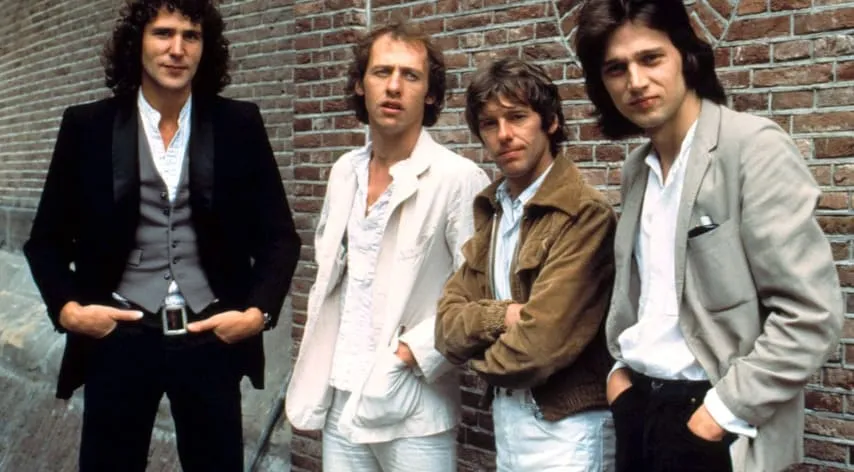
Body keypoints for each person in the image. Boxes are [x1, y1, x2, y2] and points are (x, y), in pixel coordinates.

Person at [23, 1, 301, 470]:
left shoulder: (238, 124)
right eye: (163, 33)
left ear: (205, 48)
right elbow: (45, 241)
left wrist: (257, 314)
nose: (177, 49)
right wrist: (69, 311)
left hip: (210, 335)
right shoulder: (87, 127)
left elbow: (280, 238)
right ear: (138, 43)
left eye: (191, 36)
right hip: (118, 336)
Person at [574, 1, 844, 470]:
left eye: (650, 58)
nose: (635, 81)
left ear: (686, 56)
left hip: (714, 416)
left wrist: (717, 414)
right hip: (638, 408)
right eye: (616, 68)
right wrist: (619, 377)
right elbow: (642, 295)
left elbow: (811, 313)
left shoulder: (752, 148)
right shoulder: (637, 169)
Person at [284, 20, 490, 472]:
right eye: (381, 72)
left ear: (430, 94)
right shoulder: (345, 172)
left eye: (410, 75)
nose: (394, 86)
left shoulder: (458, 178)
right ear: (361, 85)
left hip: (415, 407)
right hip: (342, 396)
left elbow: (480, 293)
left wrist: (409, 355)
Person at [435, 57, 617, 471]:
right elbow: (445, 328)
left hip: (569, 427)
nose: (504, 134)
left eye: (517, 117)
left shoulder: (583, 213)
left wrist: (476, 359)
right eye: (489, 123)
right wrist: (504, 315)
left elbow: (540, 346)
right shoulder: (495, 209)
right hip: (509, 419)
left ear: (550, 121)